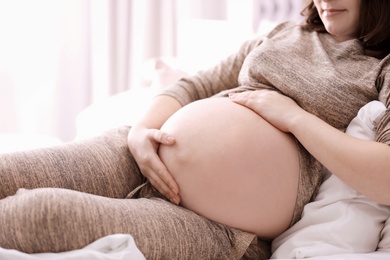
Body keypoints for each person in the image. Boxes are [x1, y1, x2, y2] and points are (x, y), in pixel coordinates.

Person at [0, 0, 389, 259]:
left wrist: (294, 118)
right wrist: (142, 130)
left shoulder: (381, 66)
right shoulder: (284, 34)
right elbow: (195, 85)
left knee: (36, 215)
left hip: (222, 226)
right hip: (138, 155)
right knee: (6, 173)